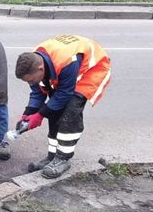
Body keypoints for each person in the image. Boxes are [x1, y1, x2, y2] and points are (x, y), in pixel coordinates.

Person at [14, 34, 111, 179]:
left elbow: (65, 93)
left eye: (31, 79)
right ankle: (52, 157)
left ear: (40, 69)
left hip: (92, 70)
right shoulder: (34, 62)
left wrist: (40, 115)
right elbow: (38, 91)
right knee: (53, 111)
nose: (31, 82)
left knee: (70, 111)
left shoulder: (66, 61)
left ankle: (63, 159)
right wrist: (29, 112)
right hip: (65, 71)